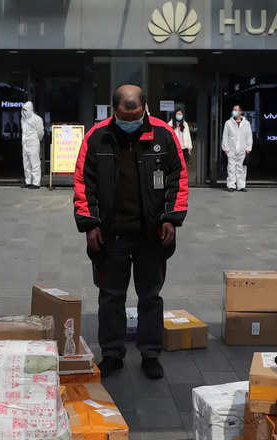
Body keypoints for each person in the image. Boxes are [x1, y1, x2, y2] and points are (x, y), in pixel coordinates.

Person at [73, 84, 188, 380]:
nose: (131, 121)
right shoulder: (97, 137)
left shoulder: (163, 134)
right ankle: (112, 353)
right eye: (125, 116)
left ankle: (150, 354)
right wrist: (90, 224)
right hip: (112, 234)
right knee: (111, 296)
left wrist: (170, 218)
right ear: (114, 111)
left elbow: (179, 177)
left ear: (145, 108)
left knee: (150, 296)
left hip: (151, 234)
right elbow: (83, 183)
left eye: (136, 115)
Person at [221, 105, 252, 192]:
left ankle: (241, 186)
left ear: (240, 112)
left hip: (242, 150)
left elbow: (249, 137)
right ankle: (231, 185)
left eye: (236, 110)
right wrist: (226, 149)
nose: (234, 111)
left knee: (241, 168)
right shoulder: (228, 123)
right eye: (233, 110)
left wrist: (248, 148)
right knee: (231, 168)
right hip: (231, 150)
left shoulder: (246, 123)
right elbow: (225, 136)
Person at [21, 101, 44, 189]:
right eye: (23, 110)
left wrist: (36, 139)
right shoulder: (23, 119)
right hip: (25, 143)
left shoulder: (37, 119)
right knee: (26, 163)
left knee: (35, 163)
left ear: (30, 109)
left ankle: (36, 182)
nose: (24, 111)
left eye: (25, 110)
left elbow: (40, 132)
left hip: (33, 143)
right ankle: (28, 181)